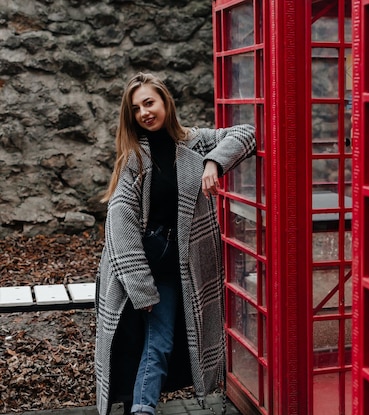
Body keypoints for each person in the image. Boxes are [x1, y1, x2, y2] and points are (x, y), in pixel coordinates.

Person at [94, 72, 256, 415]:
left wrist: (215, 161)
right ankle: (140, 408)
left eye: (149, 102)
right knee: (133, 342)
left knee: (160, 341)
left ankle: (141, 408)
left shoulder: (195, 143)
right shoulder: (134, 158)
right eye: (136, 109)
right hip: (135, 266)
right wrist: (141, 288)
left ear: (166, 101)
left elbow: (248, 133)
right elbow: (120, 226)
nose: (144, 113)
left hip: (176, 265)